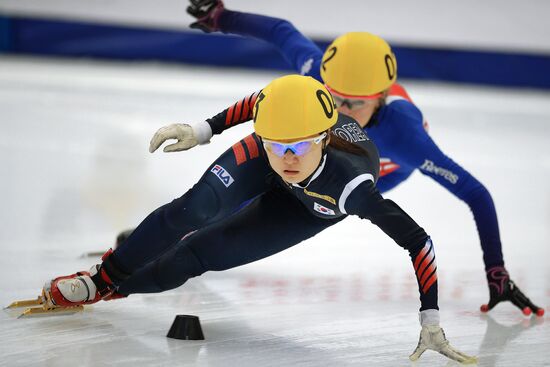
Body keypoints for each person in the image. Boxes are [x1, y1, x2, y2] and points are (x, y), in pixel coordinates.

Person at [42, 75, 475, 363]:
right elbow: (258, 102)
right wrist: (204, 129)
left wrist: (430, 319)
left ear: (324, 138)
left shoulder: (353, 188)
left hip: (306, 208)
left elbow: (418, 240)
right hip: (260, 161)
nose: (287, 159)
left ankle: (117, 289)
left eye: (300, 147)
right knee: (191, 211)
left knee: (199, 254)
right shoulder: (280, 131)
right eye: (275, 143)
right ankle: (99, 280)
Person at [155, 0, 543, 317]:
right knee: (254, 174)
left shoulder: (405, 135)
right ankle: (168, 242)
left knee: (278, 204)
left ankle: (185, 249)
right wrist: (221, 17)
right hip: (323, 147)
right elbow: (281, 31)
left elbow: (476, 194)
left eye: (354, 104)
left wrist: (497, 272)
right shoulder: (320, 75)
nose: (339, 108)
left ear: (380, 98)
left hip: (382, 170)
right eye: (334, 96)